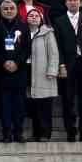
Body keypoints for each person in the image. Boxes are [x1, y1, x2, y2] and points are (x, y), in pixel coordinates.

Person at [52, 0, 82, 143]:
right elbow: (57, 45)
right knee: (68, 99)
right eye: (69, 0)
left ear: (81, 3)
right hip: (68, 65)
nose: (73, 2)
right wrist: (61, 64)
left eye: (75, 0)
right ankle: (70, 130)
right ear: (65, 3)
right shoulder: (59, 21)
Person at [0, 0, 30, 143]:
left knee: (19, 104)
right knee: (4, 105)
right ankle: (6, 133)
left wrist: (17, 63)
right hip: (2, 72)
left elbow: (27, 49)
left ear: (16, 10)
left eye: (11, 8)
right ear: (0, 11)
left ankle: (18, 132)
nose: (9, 11)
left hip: (19, 71)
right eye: (5, 9)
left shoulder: (23, 27)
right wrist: (4, 62)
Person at [24, 8, 59, 141]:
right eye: (31, 16)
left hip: (43, 73)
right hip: (28, 71)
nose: (33, 18)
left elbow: (54, 53)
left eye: (36, 16)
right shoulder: (23, 33)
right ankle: (35, 133)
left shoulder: (47, 33)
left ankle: (45, 133)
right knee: (33, 105)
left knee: (45, 104)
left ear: (41, 19)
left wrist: (52, 70)